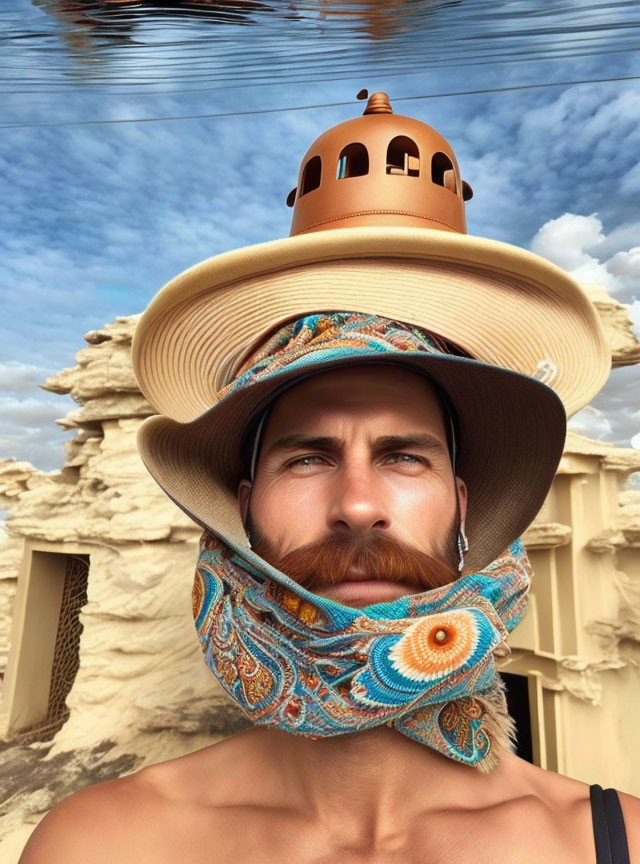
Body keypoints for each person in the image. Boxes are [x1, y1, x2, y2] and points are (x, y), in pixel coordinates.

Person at [19, 312, 639, 863]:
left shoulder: (618, 841)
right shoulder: (101, 844)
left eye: (404, 457)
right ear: (244, 518)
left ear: (461, 509)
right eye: (307, 459)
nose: (359, 505)